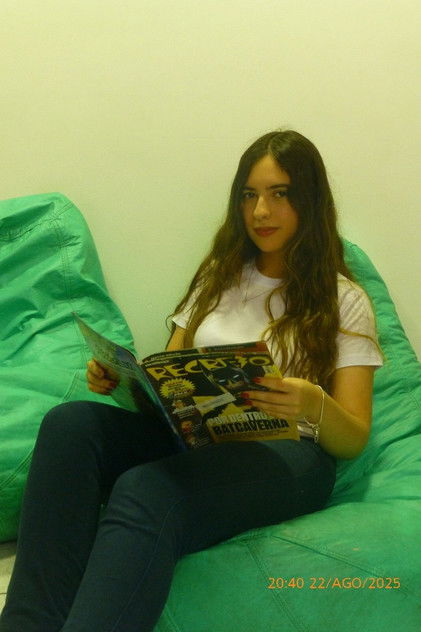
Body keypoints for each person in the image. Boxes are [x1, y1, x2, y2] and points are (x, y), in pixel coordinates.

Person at [0, 130, 383, 632]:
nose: (260, 211)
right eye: (249, 195)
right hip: (199, 437)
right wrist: (124, 379)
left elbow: (354, 436)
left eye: (280, 193)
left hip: (289, 454)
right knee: (70, 425)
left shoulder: (343, 298)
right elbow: (171, 372)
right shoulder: (219, 277)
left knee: (146, 489)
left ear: (309, 200)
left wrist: (312, 402)